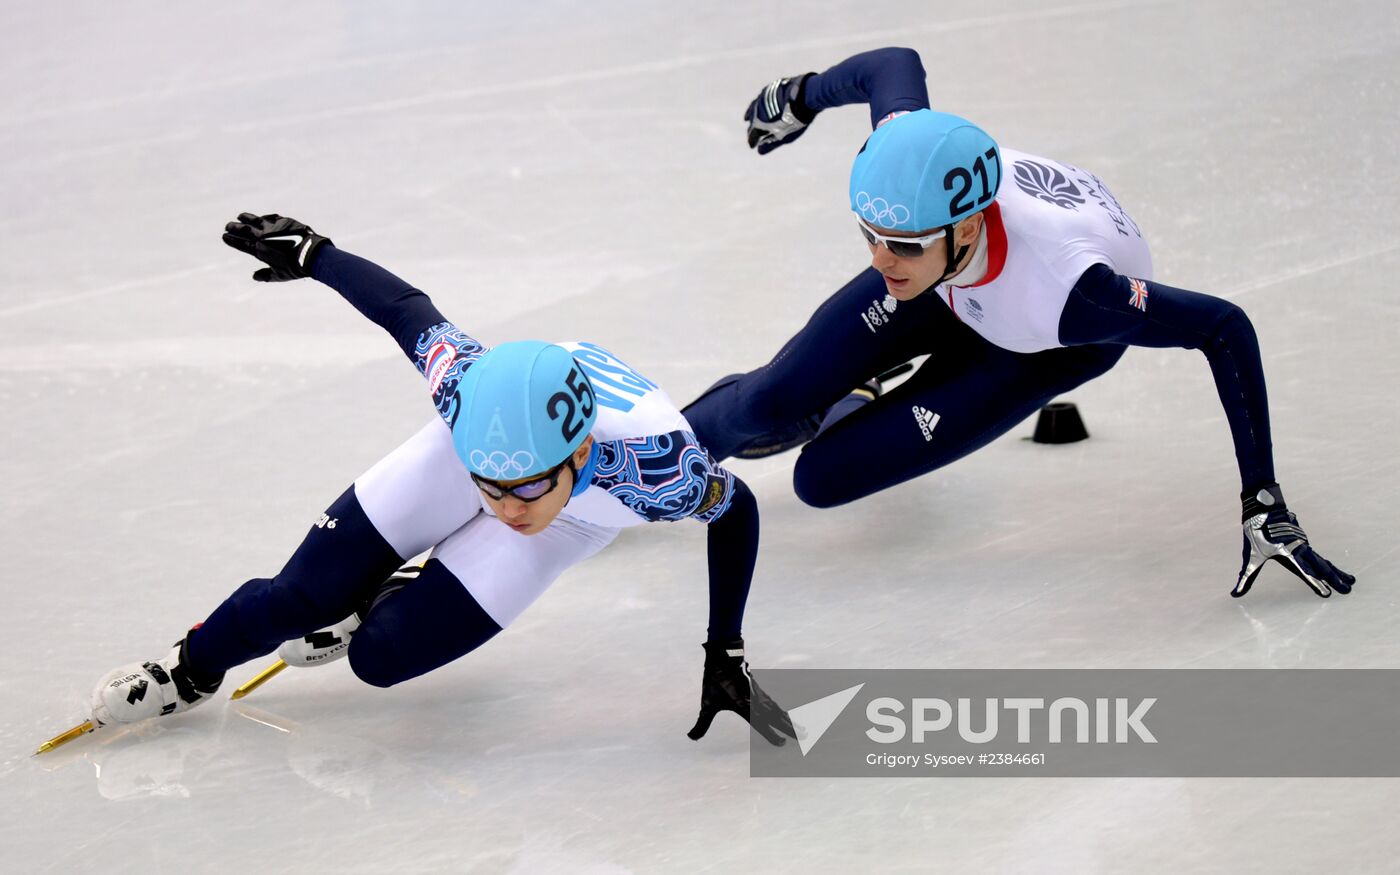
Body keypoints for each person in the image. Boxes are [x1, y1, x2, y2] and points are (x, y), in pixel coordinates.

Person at [85, 213, 795, 746]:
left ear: (580, 458)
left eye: (526, 491)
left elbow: (736, 512)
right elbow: (404, 311)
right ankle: (186, 670)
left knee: (379, 659)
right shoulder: (465, 387)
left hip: (580, 517)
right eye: (494, 492)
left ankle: (373, 605)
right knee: (298, 597)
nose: (507, 511)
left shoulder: (658, 468)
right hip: (474, 449)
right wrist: (315, 252)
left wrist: (723, 647)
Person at [682, 47, 1353, 598]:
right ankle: (641, 457)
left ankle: (846, 400)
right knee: (770, 398)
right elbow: (893, 64)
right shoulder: (913, 168)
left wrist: (1262, 500)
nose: (881, 258)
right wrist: (803, 95)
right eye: (868, 235)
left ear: (969, 222)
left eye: (900, 243)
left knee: (819, 480)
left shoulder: (1078, 292)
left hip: (1036, 343)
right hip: (949, 284)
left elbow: (1224, 326)